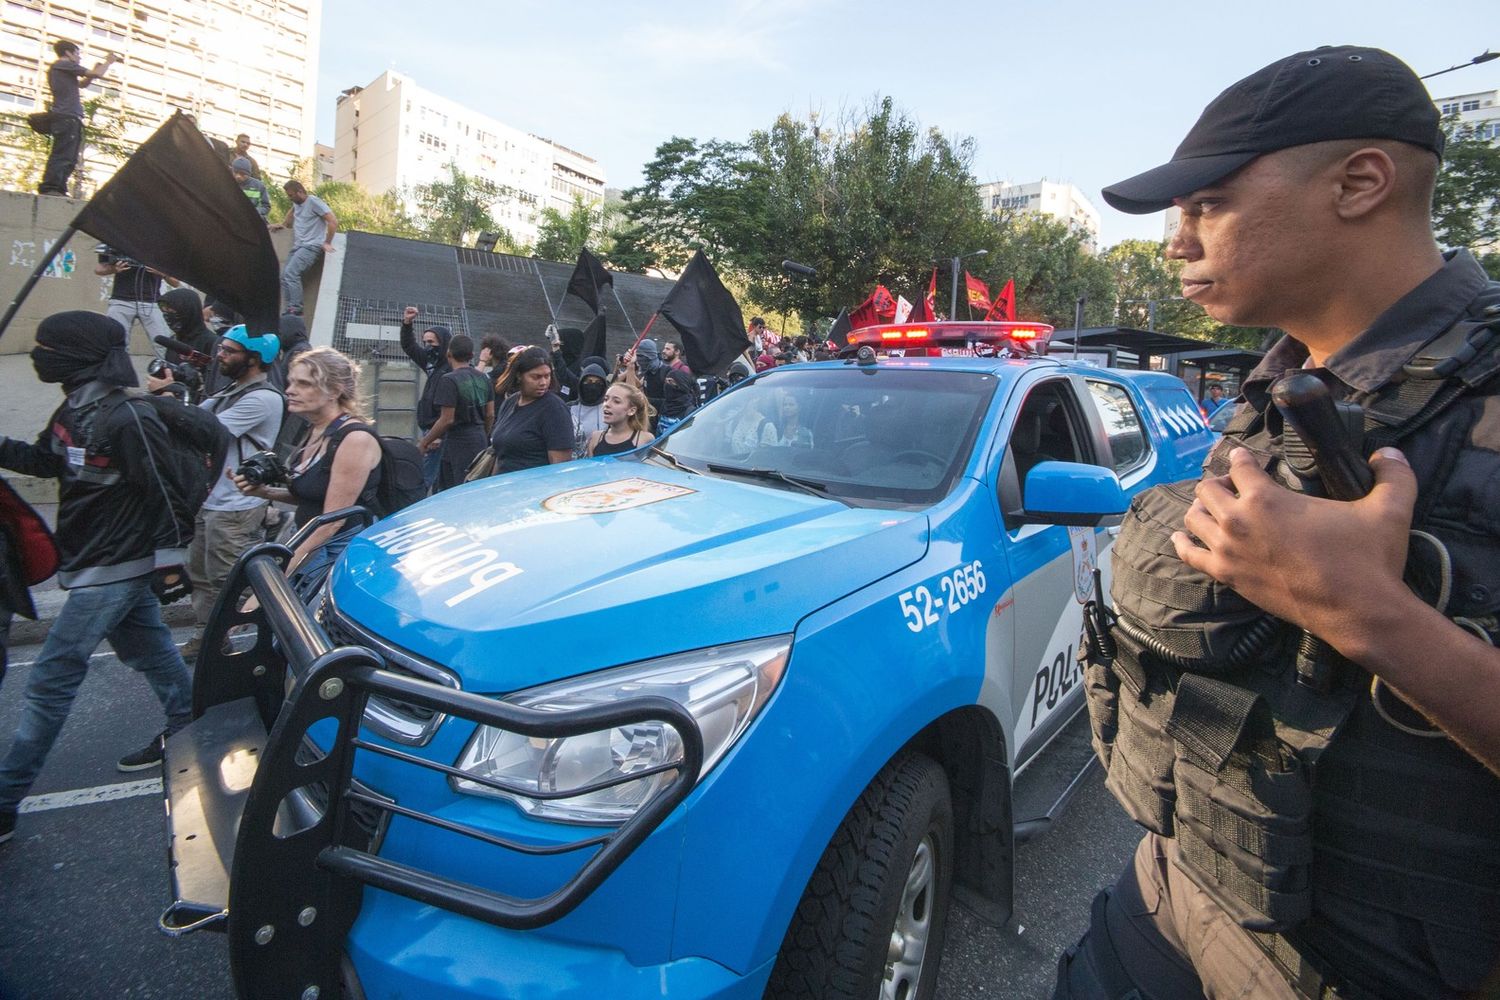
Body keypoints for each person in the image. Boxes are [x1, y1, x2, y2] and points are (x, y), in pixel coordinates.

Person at [1055, 46, 1500, 1000]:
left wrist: (1374, 617)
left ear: (1361, 183)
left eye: (1206, 204)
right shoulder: (1278, 384)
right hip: (1178, 891)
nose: (1177, 243)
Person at [0, 312, 195, 843]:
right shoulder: (73, 409)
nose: (39, 355)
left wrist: (170, 565)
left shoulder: (129, 416)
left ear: (79, 354)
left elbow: (167, 490)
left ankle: (6, 799)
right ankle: (194, 728)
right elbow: (47, 461)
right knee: (153, 653)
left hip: (117, 568)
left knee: (50, 680)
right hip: (86, 558)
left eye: (48, 347)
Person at [149, 325, 282, 660]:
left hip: (236, 503)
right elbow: (188, 419)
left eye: (229, 351)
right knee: (201, 578)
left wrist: (167, 396)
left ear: (254, 359)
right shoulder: (228, 392)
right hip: (210, 499)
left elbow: (204, 431)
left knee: (228, 581)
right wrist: (183, 392)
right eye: (221, 348)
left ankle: (279, 636)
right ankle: (209, 639)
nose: (220, 355)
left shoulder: (263, 399)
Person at [231, 347, 380, 588]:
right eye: (291, 382)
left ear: (334, 390)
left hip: (333, 554)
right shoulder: (314, 430)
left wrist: (277, 584)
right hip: (308, 541)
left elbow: (331, 522)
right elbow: (314, 498)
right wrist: (264, 492)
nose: (290, 390)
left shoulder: (354, 439)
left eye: (304, 384)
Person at [36, 41, 115, 197]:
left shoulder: (62, 69)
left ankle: (58, 188)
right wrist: (108, 62)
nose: (79, 57)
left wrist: (95, 70)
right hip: (66, 116)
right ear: (68, 53)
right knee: (63, 154)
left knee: (70, 156)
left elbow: (83, 84)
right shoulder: (62, 65)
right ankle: (51, 187)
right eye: (77, 53)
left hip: (69, 117)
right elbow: (97, 74)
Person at [418, 334, 494, 492]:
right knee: (475, 489)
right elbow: (490, 414)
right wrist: (483, 434)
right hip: (479, 438)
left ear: (448, 354)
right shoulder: (484, 378)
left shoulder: (449, 380)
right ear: (472, 355)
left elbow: (447, 419)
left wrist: (424, 442)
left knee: (451, 490)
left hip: (457, 442)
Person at [488, 347, 572, 475]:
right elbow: (501, 456)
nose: (543, 382)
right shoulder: (509, 403)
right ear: (519, 375)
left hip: (534, 489)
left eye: (547, 376)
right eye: (536, 377)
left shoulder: (554, 408)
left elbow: (561, 468)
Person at [398, 306, 453, 488]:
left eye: (432, 342)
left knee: (425, 478)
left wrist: (437, 435)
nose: (428, 346)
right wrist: (407, 323)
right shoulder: (430, 363)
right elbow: (409, 346)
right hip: (427, 427)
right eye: (425, 342)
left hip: (438, 431)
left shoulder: (450, 369)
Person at [94, 247, 178, 359]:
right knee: (117, 343)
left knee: (164, 343)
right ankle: (119, 373)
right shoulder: (116, 239)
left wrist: (161, 273)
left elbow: (176, 282)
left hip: (151, 302)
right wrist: (114, 269)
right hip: (121, 300)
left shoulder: (160, 244)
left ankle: (169, 373)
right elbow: (98, 269)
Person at [270, 180, 336, 317]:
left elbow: (333, 221)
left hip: (311, 246)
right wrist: (283, 224)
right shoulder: (296, 203)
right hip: (298, 246)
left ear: (300, 192)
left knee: (291, 273)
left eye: (291, 195)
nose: (290, 198)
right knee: (284, 276)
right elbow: (291, 212)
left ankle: (296, 308)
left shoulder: (313, 202)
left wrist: (327, 242)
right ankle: (289, 309)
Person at [622, 339, 697, 434]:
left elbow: (633, 395)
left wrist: (631, 368)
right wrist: (630, 368)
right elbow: (636, 389)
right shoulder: (649, 372)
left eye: (643, 357)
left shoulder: (668, 373)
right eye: (638, 356)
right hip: (652, 422)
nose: (640, 360)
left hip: (666, 421)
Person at [585, 383, 654, 457]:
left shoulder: (644, 439)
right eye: (606, 399)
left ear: (631, 411)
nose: (607, 404)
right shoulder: (596, 437)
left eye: (616, 401)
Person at [569, 357, 609, 457]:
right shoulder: (568, 409)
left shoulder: (609, 410)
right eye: (589, 381)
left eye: (598, 383)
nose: (593, 386)